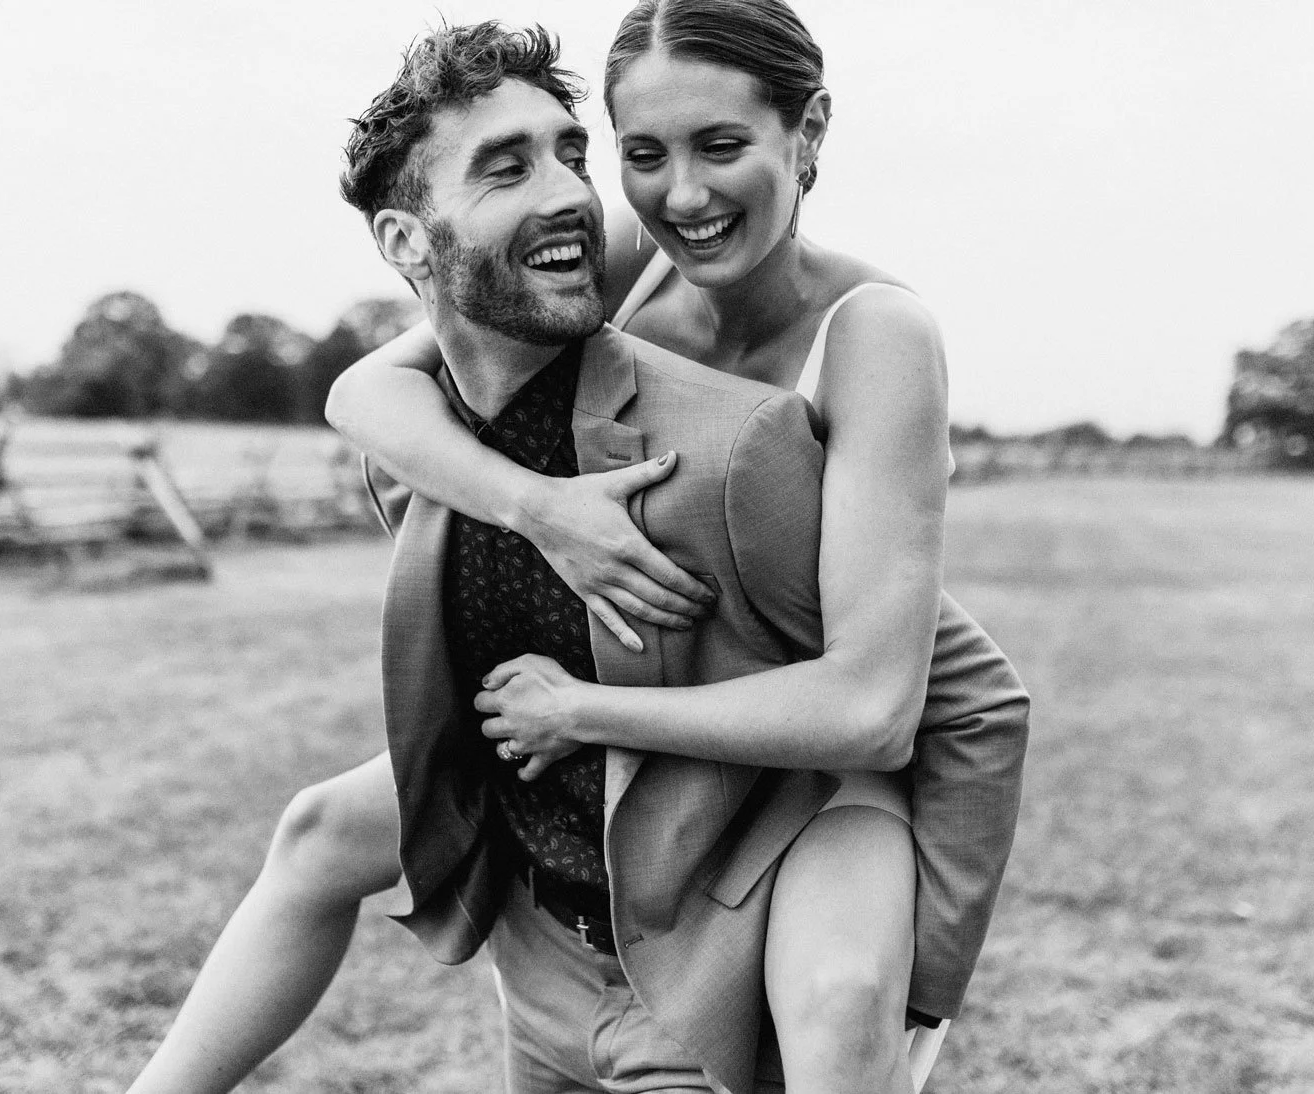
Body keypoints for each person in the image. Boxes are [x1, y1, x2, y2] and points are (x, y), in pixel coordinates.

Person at [128, 6, 1028, 1094]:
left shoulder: (869, 335)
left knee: (838, 1002)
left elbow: (900, 698)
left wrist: (581, 713)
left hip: (814, 745)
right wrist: (540, 507)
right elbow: (367, 388)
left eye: (723, 146)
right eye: (641, 154)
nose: (682, 194)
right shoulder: (632, 259)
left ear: (808, 132)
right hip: (673, 674)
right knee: (321, 828)